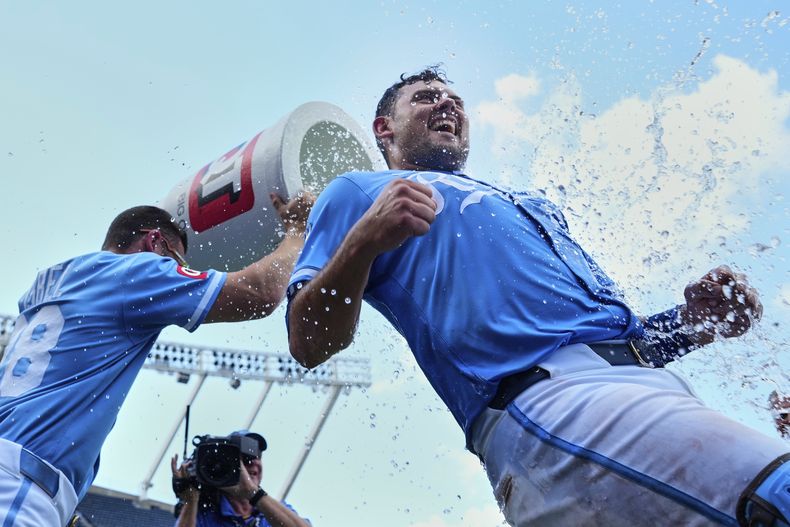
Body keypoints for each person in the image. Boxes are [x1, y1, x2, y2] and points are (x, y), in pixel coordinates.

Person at [285, 66, 790, 526]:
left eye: (455, 98)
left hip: (628, 397)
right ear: (384, 128)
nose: (447, 103)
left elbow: (606, 342)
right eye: (425, 97)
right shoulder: (359, 190)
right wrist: (362, 242)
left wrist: (693, 323)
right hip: (553, 405)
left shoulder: (528, 203)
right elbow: (308, 343)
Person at [0, 192, 313, 527]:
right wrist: (297, 231)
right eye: (177, 261)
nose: (178, 272)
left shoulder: (51, 281)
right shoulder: (135, 272)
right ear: (154, 242)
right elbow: (261, 293)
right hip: (22, 482)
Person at [170, 430, 310, 527]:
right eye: (246, 458)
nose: (254, 462)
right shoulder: (204, 516)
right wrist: (191, 499)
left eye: (258, 456)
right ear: (227, 464)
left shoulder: (276, 511)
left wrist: (253, 494)